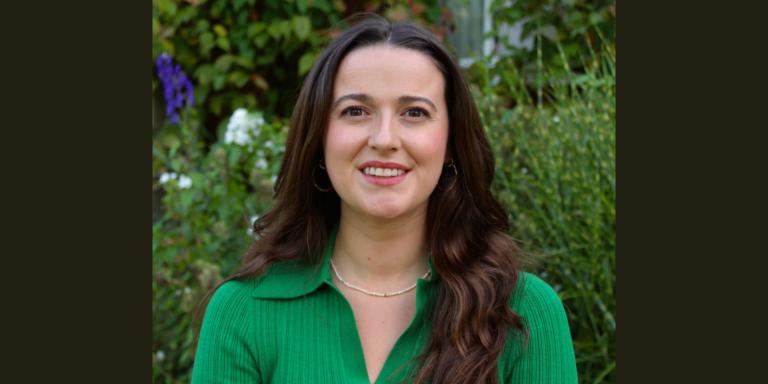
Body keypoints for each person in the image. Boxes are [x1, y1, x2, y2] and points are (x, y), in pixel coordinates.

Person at [191, 15, 577, 384]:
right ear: (319, 137)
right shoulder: (242, 312)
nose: (384, 138)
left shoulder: (522, 313)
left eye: (414, 112)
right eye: (356, 111)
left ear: (450, 145)